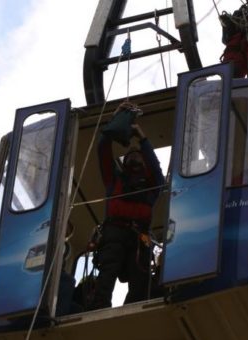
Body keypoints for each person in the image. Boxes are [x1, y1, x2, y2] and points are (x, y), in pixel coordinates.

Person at [88, 106, 165, 310]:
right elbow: (103, 149)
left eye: (138, 155)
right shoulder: (114, 180)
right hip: (115, 233)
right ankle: (99, 309)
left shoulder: (152, 185)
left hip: (140, 237)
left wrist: (143, 138)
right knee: (106, 276)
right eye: (129, 155)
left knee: (140, 281)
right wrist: (115, 122)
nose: (134, 156)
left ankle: (132, 310)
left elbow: (157, 170)